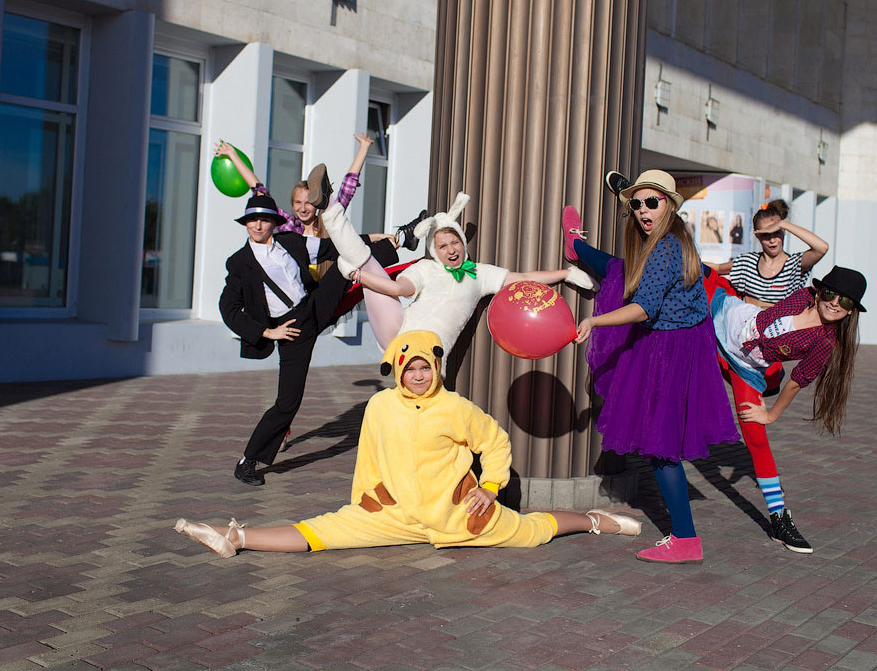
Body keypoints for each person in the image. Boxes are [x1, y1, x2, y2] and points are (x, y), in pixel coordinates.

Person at [174, 331, 643, 556]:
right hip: (394, 513)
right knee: (323, 532)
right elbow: (371, 456)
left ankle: (593, 519)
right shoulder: (380, 407)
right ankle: (235, 537)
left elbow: (495, 442)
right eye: (410, 368)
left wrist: (492, 487)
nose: (418, 376)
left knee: (532, 532)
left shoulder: (456, 406)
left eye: (425, 367)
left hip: (460, 516)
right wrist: (368, 497)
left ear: (435, 369)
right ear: (399, 370)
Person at [563, 170, 741, 564]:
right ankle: (577, 248)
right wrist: (627, 194)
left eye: (652, 203)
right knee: (618, 268)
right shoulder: (669, 238)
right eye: (637, 204)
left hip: (668, 350)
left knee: (661, 448)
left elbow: (644, 308)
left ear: (670, 207)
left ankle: (685, 539)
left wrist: (594, 321)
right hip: (677, 344)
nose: (643, 211)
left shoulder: (664, 248)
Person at [313, 187, 595, 358]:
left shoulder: (480, 273)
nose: (450, 250)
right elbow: (398, 290)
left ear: (462, 243)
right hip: (399, 333)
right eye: (443, 245)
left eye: (455, 242)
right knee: (365, 260)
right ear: (435, 250)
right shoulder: (425, 267)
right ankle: (329, 208)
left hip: (432, 354)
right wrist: (360, 278)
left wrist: (566, 274)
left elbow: (521, 279)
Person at [701, 264, 865, 553]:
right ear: (820, 291)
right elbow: (766, 318)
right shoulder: (803, 296)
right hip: (727, 316)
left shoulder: (824, 342)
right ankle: (595, 260)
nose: (835, 303)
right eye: (831, 293)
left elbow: (797, 382)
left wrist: (771, 414)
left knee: (756, 438)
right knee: (678, 272)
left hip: (746, 366)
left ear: (851, 311)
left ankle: (779, 519)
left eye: (846, 301)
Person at [218, 193, 353, 487]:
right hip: (291, 328)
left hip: (314, 305)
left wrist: (380, 239)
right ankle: (247, 462)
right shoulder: (239, 262)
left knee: (351, 258)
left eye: (264, 219)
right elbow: (227, 309)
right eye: (252, 219)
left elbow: (333, 245)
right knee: (288, 402)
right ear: (246, 224)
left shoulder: (291, 242)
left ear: (274, 223)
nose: (257, 225)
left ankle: (401, 240)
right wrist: (267, 332)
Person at [216, 135, 427, 279]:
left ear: (316, 203)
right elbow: (259, 190)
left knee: (355, 247)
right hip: (302, 288)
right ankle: (402, 238)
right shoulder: (289, 226)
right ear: (291, 205)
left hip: (331, 279)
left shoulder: (327, 221)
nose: (303, 208)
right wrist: (233, 155)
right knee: (358, 243)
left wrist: (363, 148)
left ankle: (405, 237)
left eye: (309, 202)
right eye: (297, 203)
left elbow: (347, 187)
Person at [707, 199, 829, 307]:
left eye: (776, 233)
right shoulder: (747, 262)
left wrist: (783, 224)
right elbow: (717, 268)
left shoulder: (794, 264)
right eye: (766, 235)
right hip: (744, 326)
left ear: (784, 231)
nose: (772, 240)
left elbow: (821, 248)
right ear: (757, 236)